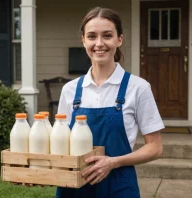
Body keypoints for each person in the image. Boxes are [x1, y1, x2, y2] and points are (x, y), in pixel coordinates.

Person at [56, 7, 164, 198]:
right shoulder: (70, 90)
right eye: (91, 36)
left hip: (118, 186)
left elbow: (155, 147)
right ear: (83, 40)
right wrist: (36, 171)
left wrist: (114, 162)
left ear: (119, 39)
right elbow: (60, 144)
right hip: (73, 187)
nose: (99, 43)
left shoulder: (138, 88)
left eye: (107, 35)